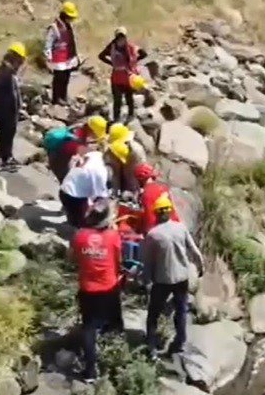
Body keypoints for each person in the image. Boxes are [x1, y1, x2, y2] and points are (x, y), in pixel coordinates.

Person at [141, 195, 204, 356]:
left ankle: (152, 346)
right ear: (170, 212)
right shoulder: (180, 228)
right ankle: (180, 341)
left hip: (162, 280)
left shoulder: (153, 235)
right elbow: (195, 251)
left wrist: (146, 282)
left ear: (155, 214)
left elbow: (147, 262)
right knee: (181, 310)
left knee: (153, 314)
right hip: (181, 278)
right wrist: (200, 266)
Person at [70, 199, 124, 383]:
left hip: (88, 288)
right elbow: (118, 260)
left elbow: (73, 258)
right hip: (109, 286)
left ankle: (90, 371)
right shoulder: (112, 237)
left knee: (88, 328)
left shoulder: (79, 236)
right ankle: (118, 355)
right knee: (115, 318)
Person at [98, 28, 147, 124]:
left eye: (122, 37)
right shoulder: (125, 46)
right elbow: (101, 56)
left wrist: (133, 62)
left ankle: (128, 116)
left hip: (124, 77)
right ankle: (120, 118)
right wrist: (113, 63)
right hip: (122, 77)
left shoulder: (117, 47)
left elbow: (144, 54)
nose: (121, 39)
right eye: (120, 37)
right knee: (119, 100)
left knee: (127, 98)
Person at [0, 43, 25, 169]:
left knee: (9, 134)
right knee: (6, 135)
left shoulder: (7, 71)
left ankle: (8, 156)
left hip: (8, 110)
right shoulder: (5, 72)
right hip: (5, 111)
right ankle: (6, 158)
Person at [59, 147, 110, 227]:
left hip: (65, 189)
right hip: (74, 198)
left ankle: (72, 222)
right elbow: (101, 197)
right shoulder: (100, 172)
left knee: (73, 217)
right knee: (84, 224)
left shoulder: (96, 154)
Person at [44, 1, 80, 105]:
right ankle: (56, 99)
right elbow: (48, 42)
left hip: (67, 57)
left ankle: (63, 96)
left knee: (66, 78)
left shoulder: (68, 26)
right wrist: (48, 55)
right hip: (58, 59)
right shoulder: (54, 27)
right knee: (58, 79)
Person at [135, 164, 179, 234]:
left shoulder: (146, 194)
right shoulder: (163, 188)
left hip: (162, 231)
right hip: (176, 227)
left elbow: (150, 217)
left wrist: (147, 234)